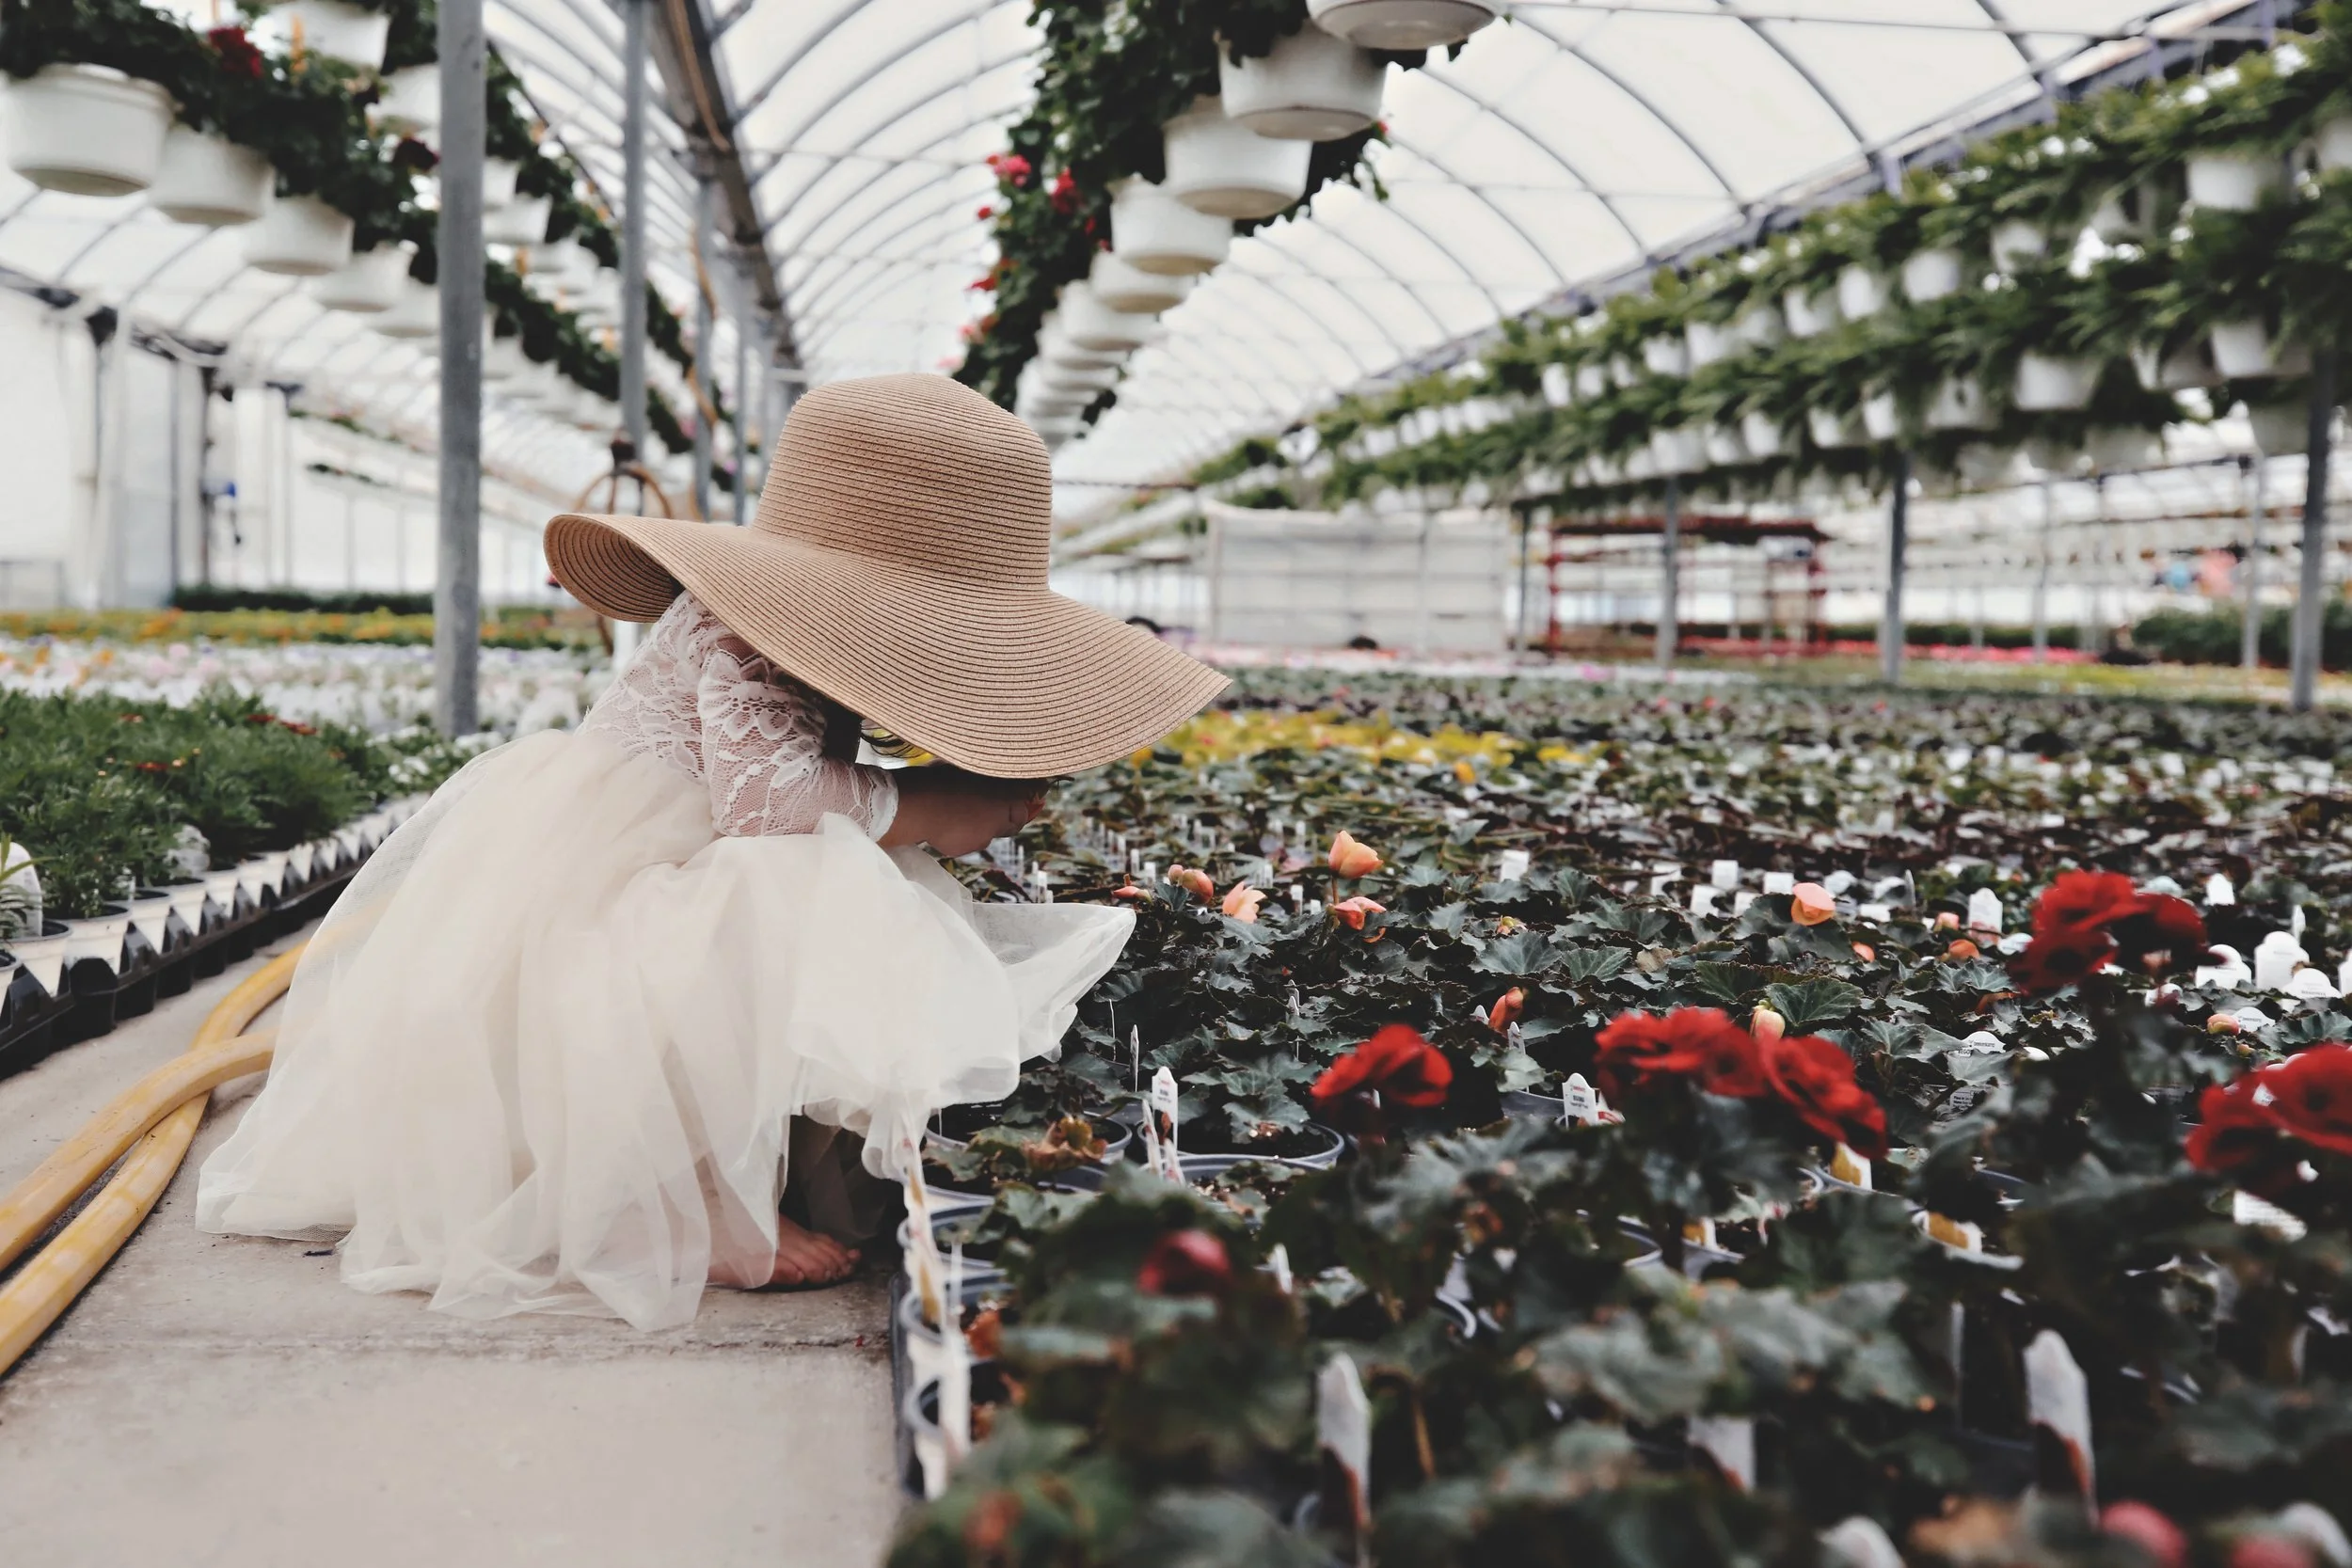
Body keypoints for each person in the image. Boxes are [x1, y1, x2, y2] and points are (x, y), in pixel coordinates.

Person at [197, 375, 1228, 1331]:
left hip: (688, 857)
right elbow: (765, 804)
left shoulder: (815, 631)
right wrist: (929, 804)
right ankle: (678, 1205)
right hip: (623, 886)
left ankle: (729, 1169)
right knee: (793, 892)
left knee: (842, 883)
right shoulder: (748, 629)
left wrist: (951, 791)